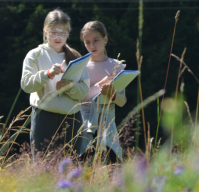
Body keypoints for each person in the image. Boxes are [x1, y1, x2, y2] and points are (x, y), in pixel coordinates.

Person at [21, 9, 90, 157]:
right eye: (54, 33)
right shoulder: (35, 54)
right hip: (44, 118)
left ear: (68, 33)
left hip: (72, 118)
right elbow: (26, 85)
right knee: (42, 168)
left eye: (63, 33)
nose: (58, 37)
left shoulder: (76, 56)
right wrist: (47, 74)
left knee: (70, 169)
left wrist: (69, 87)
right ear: (45, 32)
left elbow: (84, 89)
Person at [79, 21, 126, 163]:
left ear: (105, 39)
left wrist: (112, 94)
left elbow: (122, 101)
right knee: (85, 166)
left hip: (108, 122)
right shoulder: (81, 66)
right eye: (87, 42)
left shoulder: (116, 66)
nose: (92, 46)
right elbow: (79, 98)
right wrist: (100, 86)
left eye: (96, 40)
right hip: (85, 123)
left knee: (114, 165)